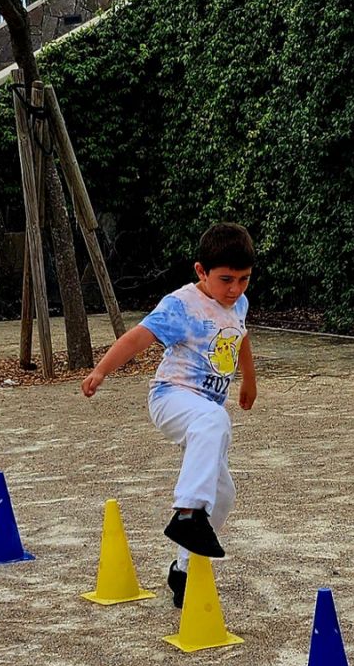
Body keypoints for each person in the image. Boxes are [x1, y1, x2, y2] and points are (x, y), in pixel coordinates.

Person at [80, 222, 256, 608]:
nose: (235, 289)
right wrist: (101, 370)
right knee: (215, 421)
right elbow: (137, 338)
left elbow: (240, 337)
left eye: (244, 279)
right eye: (226, 280)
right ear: (201, 272)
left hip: (205, 411)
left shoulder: (239, 304)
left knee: (224, 494)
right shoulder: (181, 305)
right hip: (171, 397)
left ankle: (183, 570)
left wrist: (249, 380)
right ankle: (187, 513)